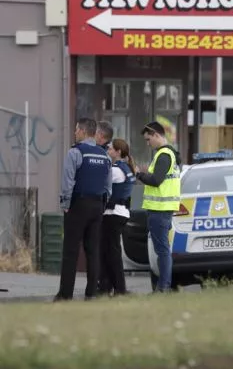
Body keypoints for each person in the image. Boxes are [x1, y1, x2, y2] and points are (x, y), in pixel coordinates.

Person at [54, 118, 112, 302]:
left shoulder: (75, 152)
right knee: (92, 251)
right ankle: (91, 294)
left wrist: (65, 204)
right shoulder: (105, 156)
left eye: (76, 129)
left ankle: (65, 295)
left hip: (78, 205)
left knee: (71, 251)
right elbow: (108, 186)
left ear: (83, 131)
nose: (74, 132)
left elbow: (68, 182)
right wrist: (102, 204)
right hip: (97, 206)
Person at [136, 121, 181, 293]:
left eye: (148, 139)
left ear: (156, 134)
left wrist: (139, 174)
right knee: (163, 250)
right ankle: (164, 286)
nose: (148, 143)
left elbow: (156, 181)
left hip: (160, 209)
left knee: (162, 251)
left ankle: (163, 287)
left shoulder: (163, 155)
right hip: (164, 209)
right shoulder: (170, 154)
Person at [98, 138, 136, 296]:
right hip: (121, 213)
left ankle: (118, 288)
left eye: (110, 149)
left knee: (110, 252)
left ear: (118, 152)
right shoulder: (126, 168)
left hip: (112, 214)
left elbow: (100, 183)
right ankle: (111, 287)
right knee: (110, 251)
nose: (108, 151)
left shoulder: (115, 170)